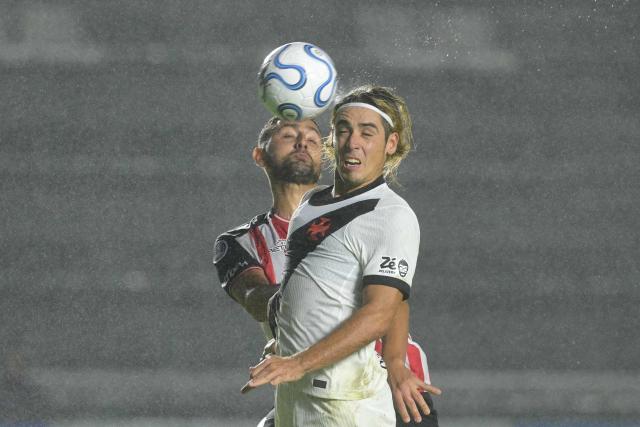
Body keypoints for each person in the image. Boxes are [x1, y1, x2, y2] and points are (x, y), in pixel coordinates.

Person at [215, 110, 440, 425]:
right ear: (259, 155)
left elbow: (392, 300)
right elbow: (255, 297)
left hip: (388, 384)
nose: (302, 142)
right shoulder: (241, 241)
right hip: (318, 391)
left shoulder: (370, 213)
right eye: (288, 135)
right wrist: (297, 320)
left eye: (311, 136)